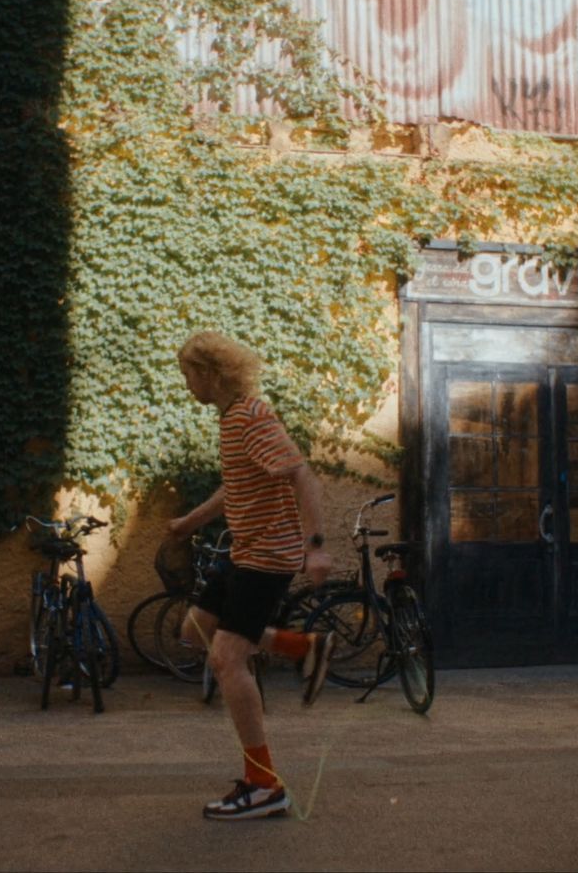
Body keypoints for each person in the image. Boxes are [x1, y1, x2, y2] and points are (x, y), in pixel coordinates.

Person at [167, 331, 337, 821]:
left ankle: (264, 785)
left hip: (269, 556)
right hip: (244, 552)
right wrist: (189, 522)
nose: (186, 385)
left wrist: (316, 547)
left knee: (226, 659)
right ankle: (301, 647)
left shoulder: (252, 417)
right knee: (194, 631)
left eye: (188, 375)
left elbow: (302, 475)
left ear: (210, 373)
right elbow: (236, 485)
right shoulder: (231, 421)